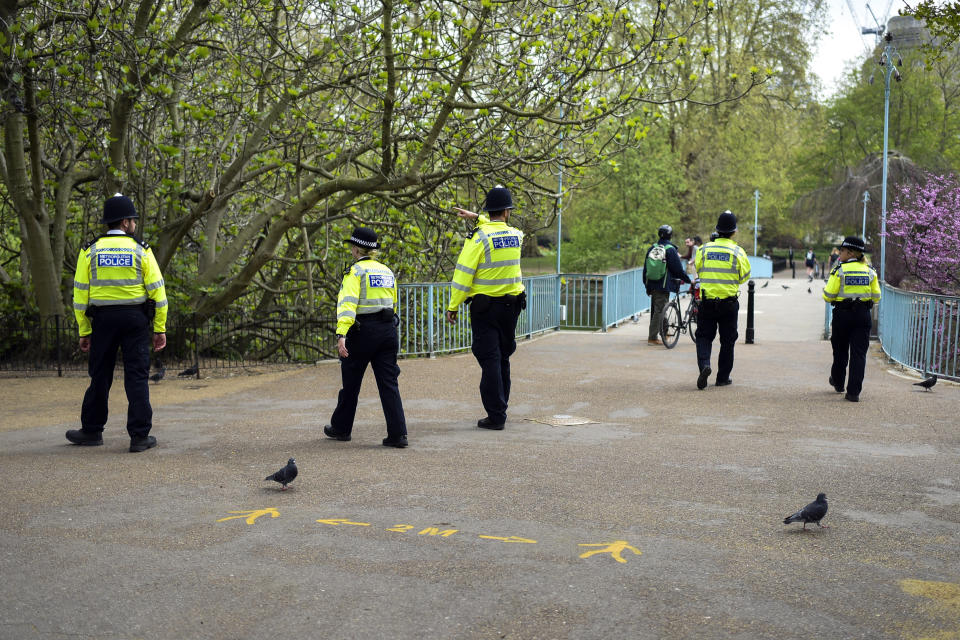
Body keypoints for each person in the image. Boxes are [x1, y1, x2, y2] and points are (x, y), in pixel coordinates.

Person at [69, 194, 168, 452]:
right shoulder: (141, 250)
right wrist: (159, 327)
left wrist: (84, 329)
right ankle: (139, 437)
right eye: (133, 219)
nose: (135, 223)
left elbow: (80, 295)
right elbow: (158, 293)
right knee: (136, 377)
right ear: (125, 222)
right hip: (135, 319)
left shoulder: (90, 251)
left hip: (102, 320)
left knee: (100, 375)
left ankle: (91, 431)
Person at [446, 185, 525, 430]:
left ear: (488, 210)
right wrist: (477, 218)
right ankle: (501, 407)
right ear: (507, 211)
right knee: (502, 358)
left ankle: (496, 415)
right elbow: (498, 227)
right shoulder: (516, 236)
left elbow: (463, 275)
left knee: (489, 358)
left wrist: (453, 306)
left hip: (486, 310)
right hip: (511, 308)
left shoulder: (478, 238)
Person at [323, 227, 408, 447]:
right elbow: (394, 302)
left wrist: (342, 333)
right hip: (388, 330)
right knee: (389, 384)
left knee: (351, 384)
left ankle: (341, 428)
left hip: (362, 332)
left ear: (356, 249)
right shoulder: (386, 271)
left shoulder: (355, 272)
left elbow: (348, 304)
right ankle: (398, 435)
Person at [694, 210, 751, 390]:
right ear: (734, 231)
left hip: (707, 302)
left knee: (704, 337)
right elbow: (744, 277)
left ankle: (704, 366)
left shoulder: (703, 249)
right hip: (728, 303)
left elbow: (699, 270)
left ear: (717, 230)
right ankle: (722, 377)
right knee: (727, 340)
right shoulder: (738, 252)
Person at [822, 236, 881, 403]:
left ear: (850, 252)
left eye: (841, 250)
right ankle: (853, 393)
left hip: (843, 315)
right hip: (863, 316)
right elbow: (877, 296)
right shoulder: (870, 271)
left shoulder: (839, 270)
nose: (839, 253)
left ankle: (838, 382)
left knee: (840, 351)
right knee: (859, 354)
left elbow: (828, 295)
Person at [642, 225, 691, 345]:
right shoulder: (670, 249)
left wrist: (646, 285)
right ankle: (652, 337)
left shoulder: (652, 248)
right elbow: (678, 270)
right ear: (670, 235)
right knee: (659, 310)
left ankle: (664, 332)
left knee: (660, 308)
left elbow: (645, 269)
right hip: (663, 285)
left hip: (652, 283)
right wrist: (689, 280)